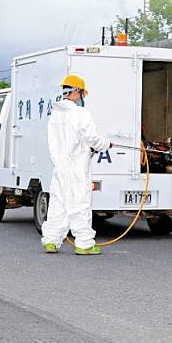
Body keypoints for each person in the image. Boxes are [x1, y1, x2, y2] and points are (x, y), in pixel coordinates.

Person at [41, 74, 113, 255]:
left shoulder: (55, 115)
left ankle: (51, 241)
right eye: (82, 94)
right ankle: (84, 244)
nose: (82, 98)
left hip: (60, 167)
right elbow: (91, 138)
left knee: (58, 203)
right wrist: (105, 144)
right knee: (80, 204)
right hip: (77, 167)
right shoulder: (81, 113)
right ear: (77, 92)